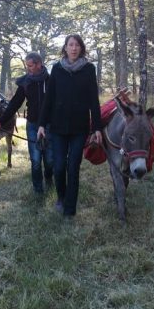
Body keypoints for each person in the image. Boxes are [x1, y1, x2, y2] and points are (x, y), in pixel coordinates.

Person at [37, 34, 103, 218]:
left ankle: (69, 209)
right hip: (58, 127)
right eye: (70, 45)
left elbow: (93, 100)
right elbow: (49, 98)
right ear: (65, 48)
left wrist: (97, 128)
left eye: (77, 45)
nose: (74, 48)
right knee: (59, 167)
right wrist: (42, 124)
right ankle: (61, 197)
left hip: (79, 128)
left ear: (81, 48)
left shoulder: (89, 69)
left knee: (73, 167)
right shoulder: (57, 69)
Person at [0, 52, 53, 194]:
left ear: (39, 64)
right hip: (32, 125)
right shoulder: (25, 82)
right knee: (35, 160)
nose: (28, 68)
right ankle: (38, 190)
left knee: (50, 160)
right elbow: (14, 104)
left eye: (30, 66)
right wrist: (0, 121)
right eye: (27, 66)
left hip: (49, 125)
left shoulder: (51, 81)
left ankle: (49, 178)